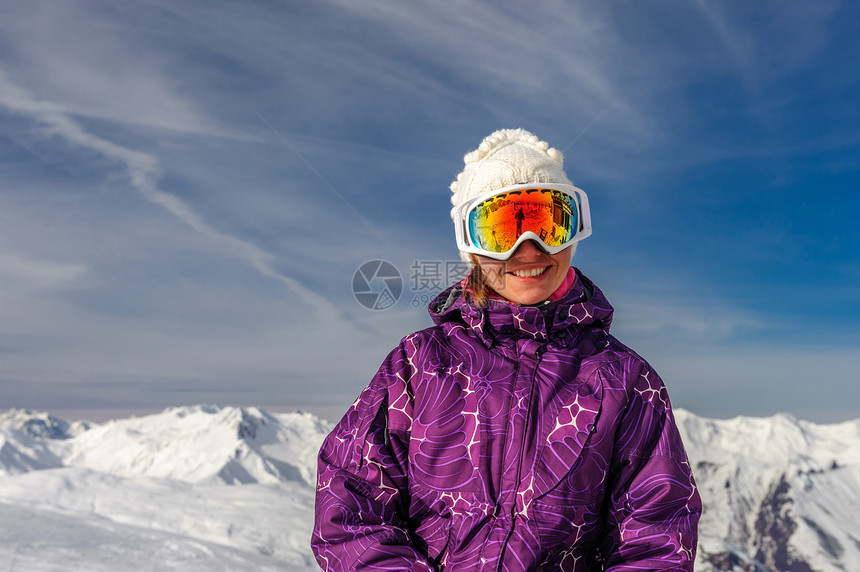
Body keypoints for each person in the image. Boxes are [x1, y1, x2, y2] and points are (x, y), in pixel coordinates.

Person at [312, 129, 701, 571]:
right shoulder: (419, 366)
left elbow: (656, 533)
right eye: (501, 231)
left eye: (549, 222)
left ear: (574, 231)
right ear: (471, 249)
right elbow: (350, 508)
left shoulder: (624, 379)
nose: (529, 248)